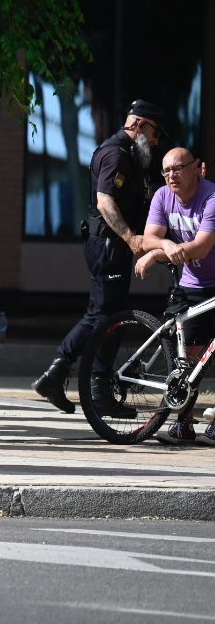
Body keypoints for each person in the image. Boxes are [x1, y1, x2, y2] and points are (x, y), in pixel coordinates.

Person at [32, 100, 165, 412]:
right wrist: (130, 237)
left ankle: (99, 391)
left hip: (110, 246)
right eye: (156, 133)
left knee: (112, 317)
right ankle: (56, 372)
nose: (157, 141)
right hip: (108, 245)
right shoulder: (116, 153)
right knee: (101, 315)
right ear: (141, 125)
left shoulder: (131, 156)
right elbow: (105, 202)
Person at [132, 146, 215, 445]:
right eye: (166, 170)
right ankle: (183, 424)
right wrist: (163, 248)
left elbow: (202, 247)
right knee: (189, 357)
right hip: (191, 283)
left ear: (199, 169)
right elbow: (148, 237)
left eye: (178, 168)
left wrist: (156, 254)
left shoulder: (211, 198)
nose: (171, 175)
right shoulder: (162, 196)